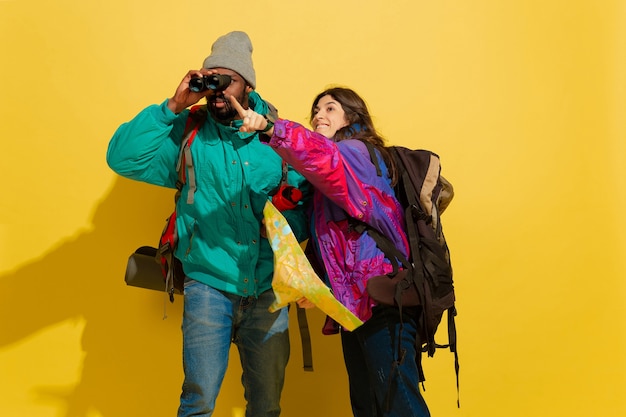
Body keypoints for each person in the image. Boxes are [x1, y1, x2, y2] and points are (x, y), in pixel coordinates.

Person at [106, 31, 309, 417]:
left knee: (266, 406)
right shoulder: (189, 132)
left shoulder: (277, 135)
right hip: (208, 284)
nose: (216, 91)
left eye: (225, 80)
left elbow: (305, 207)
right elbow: (122, 158)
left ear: (247, 85)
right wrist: (173, 105)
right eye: (208, 79)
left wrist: (301, 272)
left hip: (268, 288)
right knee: (198, 400)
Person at [231, 87, 430, 417]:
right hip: (355, 303)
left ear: (351, 118)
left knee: (398, 403)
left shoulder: (355, 153)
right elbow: (334, 237)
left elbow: (319, 155)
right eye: (316, 110)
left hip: (381, 297)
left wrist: (270, 127)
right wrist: (315, 282)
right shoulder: (331, 177)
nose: (319, 115)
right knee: (369, 404)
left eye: (330, 109)